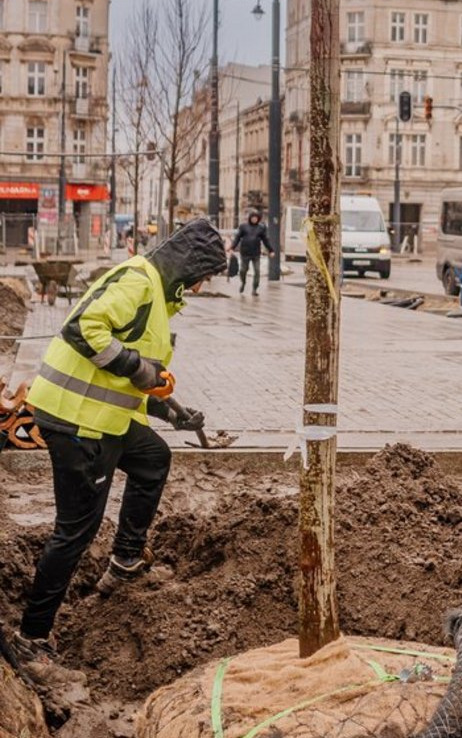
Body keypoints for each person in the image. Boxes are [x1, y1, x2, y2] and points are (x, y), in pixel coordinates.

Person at [12, 218, 227, 688]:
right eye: (202, 275)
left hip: (103, 417)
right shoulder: (138, 282)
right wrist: (141, 368)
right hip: (77, 421)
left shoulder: (152, 290)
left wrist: (174, 414)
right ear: (188, 266)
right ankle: (32, 635)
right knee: (77, 529)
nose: (199, 286)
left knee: (153, 458)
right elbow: (82, 330)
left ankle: (126, 559)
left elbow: (124, 379)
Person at [229, 208, 273, 295]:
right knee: (243, 270)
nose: (254, 219)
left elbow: (265, 240)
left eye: (256, 218)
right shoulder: (243, 227)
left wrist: (271, 250)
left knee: (257, 271)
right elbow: (237, 238)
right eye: (253, 217)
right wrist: (232, 248)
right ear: (250, 218)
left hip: (256, 253)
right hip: (245, 253)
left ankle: (254, 289)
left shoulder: (261, 228)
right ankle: (243, 282)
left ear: (258, 219)